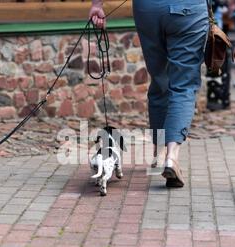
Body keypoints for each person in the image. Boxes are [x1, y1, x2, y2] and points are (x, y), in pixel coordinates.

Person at [90, 0, 209, 188]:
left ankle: (158, 153)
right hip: (188, 10)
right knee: (183, 85)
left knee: (160, 80)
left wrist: (97, 4)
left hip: (148, 9)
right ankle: (171, 157)